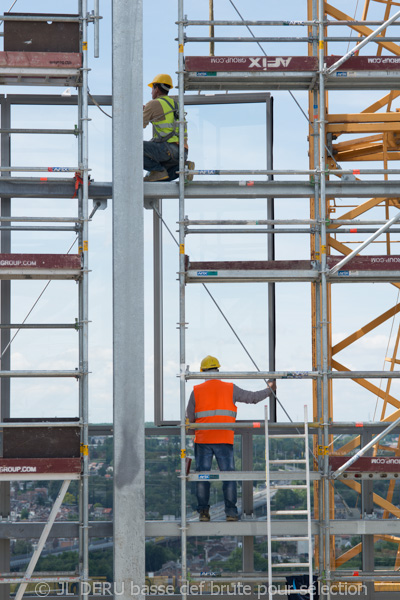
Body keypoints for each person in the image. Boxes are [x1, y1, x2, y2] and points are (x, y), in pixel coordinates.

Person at [186, 355, 276, 522]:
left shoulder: (197, 391)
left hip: (203, 440)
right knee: (228, 476)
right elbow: (253, 398)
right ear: (218, 370)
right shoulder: (230, 388)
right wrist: (270, 389)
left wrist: (195, 434)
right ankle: (231, 513)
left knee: (202, 477)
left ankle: (204, 513)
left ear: (203, 372)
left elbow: (189, 420)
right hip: (224, 439)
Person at [143, 74, 194, 182]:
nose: (151, 91)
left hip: (168, 149)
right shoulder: (175, 105)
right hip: (182, 152)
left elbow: (137, 125)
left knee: (133, 148)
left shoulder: (153, 104)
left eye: (152, 88)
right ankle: (184, 167)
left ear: (156, 89)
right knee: (163, 177)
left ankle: (157, 170)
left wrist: (143, 111)